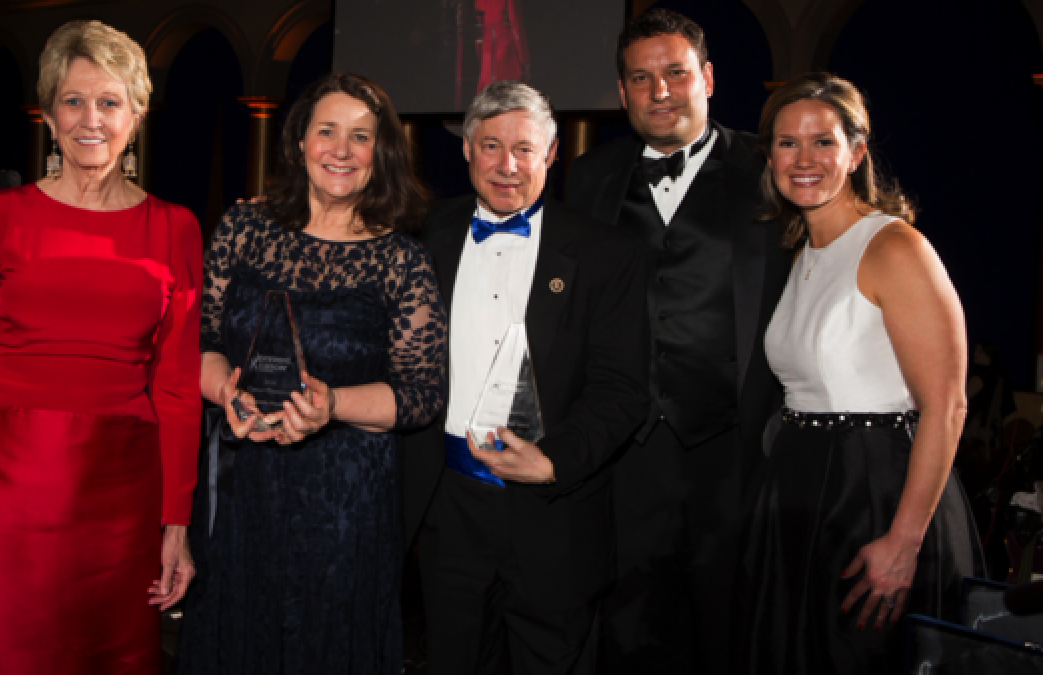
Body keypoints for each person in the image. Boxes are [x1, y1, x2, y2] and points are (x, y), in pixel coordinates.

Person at [0, 20, 203, 673]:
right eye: (72, 101)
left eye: (109, 102)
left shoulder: (176, 229)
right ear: (48, 114)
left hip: (124, 498)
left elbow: (178, 388)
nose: (89, 119)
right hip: (3, 492)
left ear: (137, 113)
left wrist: (175, 523)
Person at [175, 72, 445, 675]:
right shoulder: (243, 229)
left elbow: (423, 394)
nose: (341, 151)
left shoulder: (402, 259)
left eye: (361, 136)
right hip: (242, 484)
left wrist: (332, 406)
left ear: (383, 154)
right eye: (327, 132)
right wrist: (226, 392)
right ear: (300, 142)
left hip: (346, 502)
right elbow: (199, 342)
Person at [732, 72, 985, 674]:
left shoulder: (894, 248)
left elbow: (947, 406)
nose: (804, 158)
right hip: (798, 496)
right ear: (769, 157)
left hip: (876, 494)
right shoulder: (803, 251)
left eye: (823, 141)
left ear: (857, 153)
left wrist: (903, 544)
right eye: (787, 142)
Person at [564, 10, 790, 673]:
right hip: (624, 453)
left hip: (735, 450)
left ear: (708, 78)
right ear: (622, 89)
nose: (659, 91)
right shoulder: (588, 178)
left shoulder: (771, 168)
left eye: (674, 73)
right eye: (641, 78)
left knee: (731, 632)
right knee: (630, 635)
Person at [404, 80, 648, 675]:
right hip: (446, 506)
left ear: (553, 153)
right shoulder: (421, 237)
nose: (507, 166)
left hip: (553, 515)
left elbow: (622, 390)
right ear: (466, 148)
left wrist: (554, 461)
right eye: (490, 146)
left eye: (524, 150)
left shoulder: (607, 255)